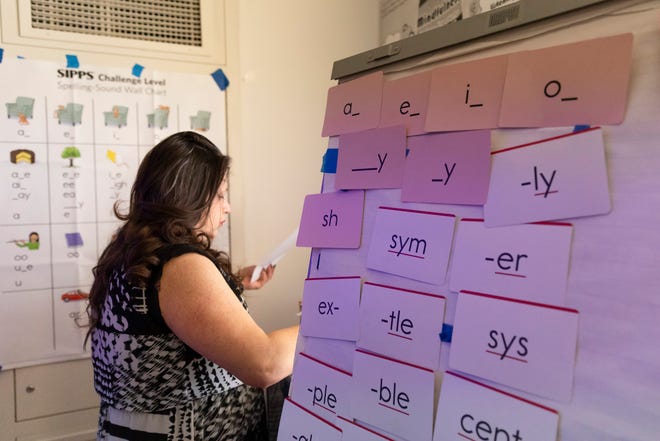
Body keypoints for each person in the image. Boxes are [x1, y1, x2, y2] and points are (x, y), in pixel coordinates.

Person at [87, 131, 299, 440]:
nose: (227, 208)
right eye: (221, 195)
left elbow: (159, 314)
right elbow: (264, 365)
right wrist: (328, 319)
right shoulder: (182, 266)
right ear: (190, 195)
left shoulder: (130, 252)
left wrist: (234, 282)